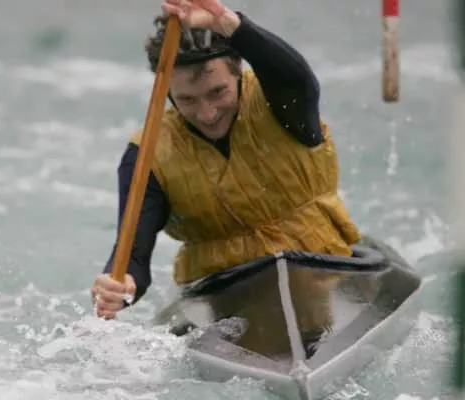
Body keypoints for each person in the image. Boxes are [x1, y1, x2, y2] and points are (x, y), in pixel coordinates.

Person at [91, 0, 361, 356]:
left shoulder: (281, 101)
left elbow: (297, 76)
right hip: (220, 290)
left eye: (217, 92)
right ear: (167, 92)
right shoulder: (146, 157)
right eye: (187, 99)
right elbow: (134, 257)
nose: (207, 113)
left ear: (238, 71)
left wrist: (232, 26)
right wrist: (121, 284)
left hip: (319, 265)